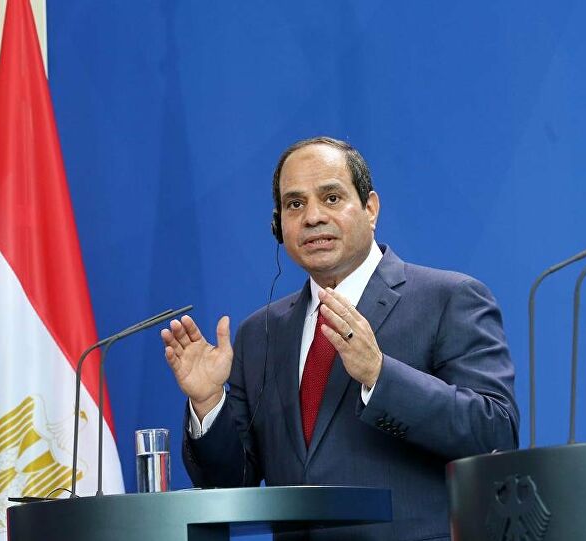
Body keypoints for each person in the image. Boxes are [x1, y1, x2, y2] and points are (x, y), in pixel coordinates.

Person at [160, 136, 519, 541]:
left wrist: (380, 376)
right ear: (279, 225)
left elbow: (495, 432)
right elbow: (230, 482)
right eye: (295, 204)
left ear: (370, 208)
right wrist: (209, 403)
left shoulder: (449, 299)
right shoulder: (259, 333)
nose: (312, 217)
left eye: (331, 198)